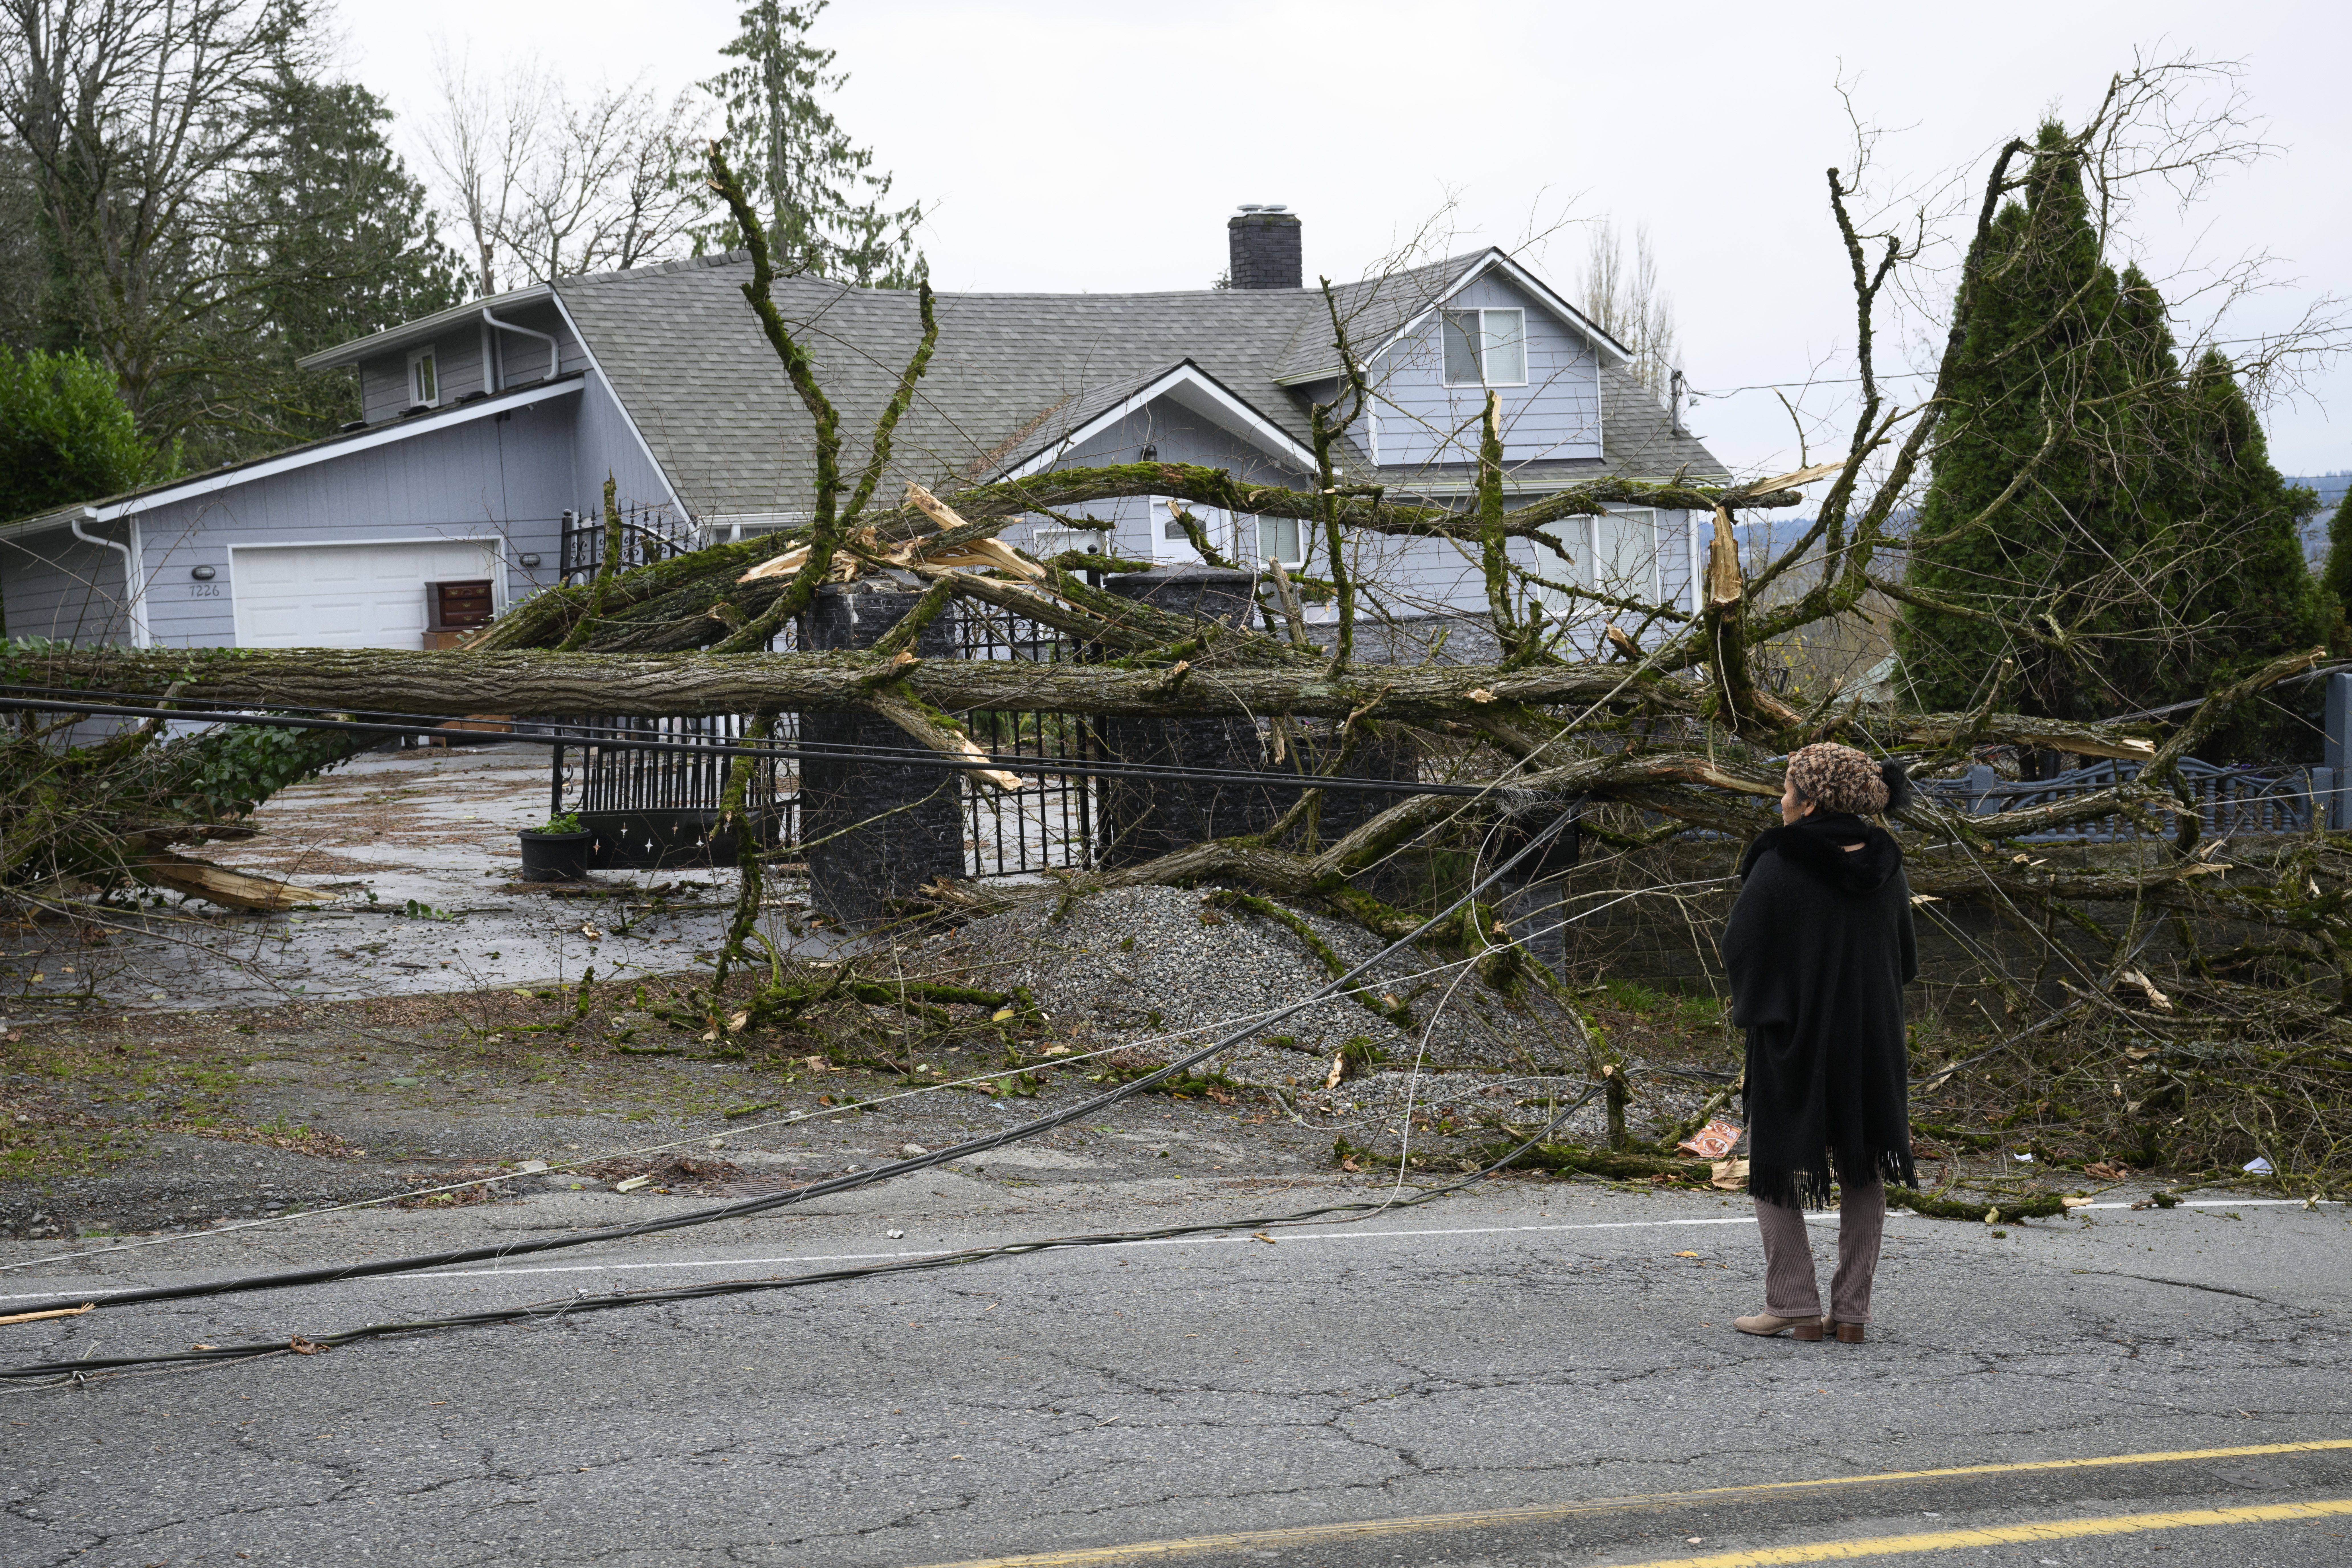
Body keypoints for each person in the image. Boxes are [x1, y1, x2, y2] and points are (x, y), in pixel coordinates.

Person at [1722, 742, 1918, 1344]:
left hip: (1796, 1038)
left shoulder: (1780, 864)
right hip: (1872, 1040)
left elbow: (1741, 948)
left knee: (1775, 1165)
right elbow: (1905, 959)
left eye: (1787, 791)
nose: (1780, 801)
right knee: (1864, 1164)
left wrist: (1767, 1010)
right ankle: (1852, 1313)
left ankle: (1794, 1303)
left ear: (1809, 804)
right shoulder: (1889, 867)